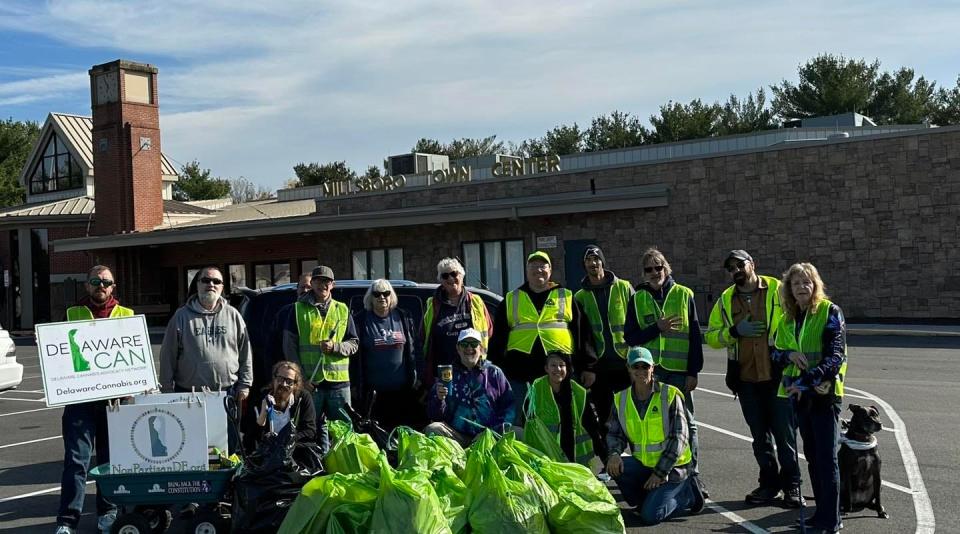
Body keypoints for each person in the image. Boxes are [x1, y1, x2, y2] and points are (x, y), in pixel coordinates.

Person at [705, 250, 803, 507]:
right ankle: (769, 484)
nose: (736, 270)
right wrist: (735, 331)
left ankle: (793, 486)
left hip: (777, 374)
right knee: (759, 437)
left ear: (752, 265)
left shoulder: (776, 289)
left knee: (785, 435)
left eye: (740, 264)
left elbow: (797, 318)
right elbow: (712, 336)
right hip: (746, 378)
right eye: (731, 268)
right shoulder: (726, 299)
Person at [55, 265, 133, 534]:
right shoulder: (71, 314)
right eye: (95, 281)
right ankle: (67, 521)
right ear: (87, 286)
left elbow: (135, 359)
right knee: (76, 462)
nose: (101, 286)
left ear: (113, 287)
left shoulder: (127, 316)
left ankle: (108, 512)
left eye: (106, 282)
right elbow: (60, 357)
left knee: (109, 461)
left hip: (114, 402)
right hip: (81, 402)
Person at [773, 263, 848, 534]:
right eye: (796, 284)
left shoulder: (830, 312)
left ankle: (832, 519)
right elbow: (775, 352)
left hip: (824, 396)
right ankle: (821, 515)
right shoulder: (788, 319)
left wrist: (805, 382)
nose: (802, 288)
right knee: (813, 458)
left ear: (815, 285)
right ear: (789, 290)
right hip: (800, 398)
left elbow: (835, 356)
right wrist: (788, 356)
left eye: (807, 282)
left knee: (828, 460)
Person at [624, 248, 706, 493]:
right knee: (658, 424)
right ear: (643, 273)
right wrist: (656, 328)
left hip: (679, 372)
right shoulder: (637, 298)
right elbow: (631, 336)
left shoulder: (684, 294)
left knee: (687, 423)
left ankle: (692, 473)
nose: (654, 272)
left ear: (666, 268)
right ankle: (659, 471)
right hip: (653, 372)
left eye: (658, 267)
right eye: (648, 269)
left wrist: (694, 371)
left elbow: (694, 336)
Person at [488, 250, 597, 426]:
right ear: (526, 270)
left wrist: (589, 366)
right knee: (520, 420)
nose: (538, 270)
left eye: (543, 266)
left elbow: (582, 333)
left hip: (560, 371)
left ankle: (561, 453)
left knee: (563, 419)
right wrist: (496, 368)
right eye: (534, 266)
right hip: (520, 372)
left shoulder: (566, 295)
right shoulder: (511, 298)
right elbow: (499, 336)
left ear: (550, 270)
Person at [606, 347, 704, 526]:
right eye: (636, 367)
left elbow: (679, 438)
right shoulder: (621, 399)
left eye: (645, 366)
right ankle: (647, 499)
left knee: (650, 516)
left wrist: (660, 473)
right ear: (628, 368)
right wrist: (613, 454)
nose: (641, 371)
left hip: (674, 468)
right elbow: (615, 433)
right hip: (644, 465)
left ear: (653, 368)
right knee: (615, 467)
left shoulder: (669, 394)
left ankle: (688, 495)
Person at [282, 265, 359, 452]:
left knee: (344, 432)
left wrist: (336, 347)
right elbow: (289, 348)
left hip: (339, 384)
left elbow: (354, 343)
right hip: (310, 384)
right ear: (312, 283)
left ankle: (344, 469)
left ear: (332, 285)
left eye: (327, 281)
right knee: (310, 431)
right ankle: (314, 467)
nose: (322, 285)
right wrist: (300, 380)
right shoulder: (297, 309)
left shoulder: (342, 309)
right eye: (318, 280)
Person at [573, 244, 634, 439]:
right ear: (584, 265)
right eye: (588, 260)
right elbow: (580, 336)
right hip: (599, 367)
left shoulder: (624, 287)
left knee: (630, 414)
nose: (593, 263)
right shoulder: (580, 297)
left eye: (596, 259)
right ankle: (612, 462)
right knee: (606, 418)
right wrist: (587, 367)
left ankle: (635, 462)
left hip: (625, 363)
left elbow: (637, 321)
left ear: (603, 262)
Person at [425, 328, 514, 447]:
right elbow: (434, 415)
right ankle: (458, 458)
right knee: (433, 428)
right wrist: (439, 399)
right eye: (464, 344)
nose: (469, 348)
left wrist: (491, 432)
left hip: (490, 435)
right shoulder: (447, 374)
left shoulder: (494, 373)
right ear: (458, 348)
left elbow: (509, 408)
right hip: (457, 437)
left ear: (481, 348)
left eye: (474, 344)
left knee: (519, 432)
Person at [353, 279, 419, 431]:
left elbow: (416, 349)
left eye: (386, 293)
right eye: (377, 294)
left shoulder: (404, 317)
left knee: (401, 434)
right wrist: (355, 385)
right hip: (372, 395)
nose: (382, 297)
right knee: (376, 436)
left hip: (402, 392)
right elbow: (354, 357)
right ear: (370, 297)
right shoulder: (360, 320)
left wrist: (418, 376)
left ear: (391, 296)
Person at [524, 352, 606, 467]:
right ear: (546, 368)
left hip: (575, 458)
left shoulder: (578, 392)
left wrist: (606, 459)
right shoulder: (535, 390)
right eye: (553, 365)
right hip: (546, 458)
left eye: (561, 365)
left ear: (567, 368)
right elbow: (528, 427)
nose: (558, 369)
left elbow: (591, 427)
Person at [422, 257, 492, 385]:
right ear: (441, 280)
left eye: (454, 274)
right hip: (444, 373)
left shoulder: (476, 302)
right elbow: (423, 338)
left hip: (474, 371)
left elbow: (490, 331)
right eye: (445, 275)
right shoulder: (433, 305)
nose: (450, 278)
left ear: (462, 276)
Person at [241, 361, 318, 465]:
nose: (284, 384)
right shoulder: (261, 399)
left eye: (289, 381)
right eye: (280, 379)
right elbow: (249, 437)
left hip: (295, 456)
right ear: (274, 379)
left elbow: (309, 431)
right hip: (266, 457)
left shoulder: (303, 398)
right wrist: (263, 415)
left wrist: (284, 441)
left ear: (295, 385)